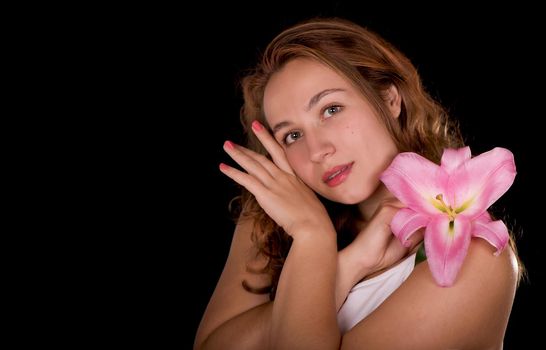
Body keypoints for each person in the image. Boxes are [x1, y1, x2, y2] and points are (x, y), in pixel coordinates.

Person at [194, 17, 523, 349]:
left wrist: (312, 241)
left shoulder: (476, 255)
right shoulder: (271, 221)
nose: (319, 150)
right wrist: (345, 262)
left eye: (331, 109)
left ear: (390, 99)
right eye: (292, 135)